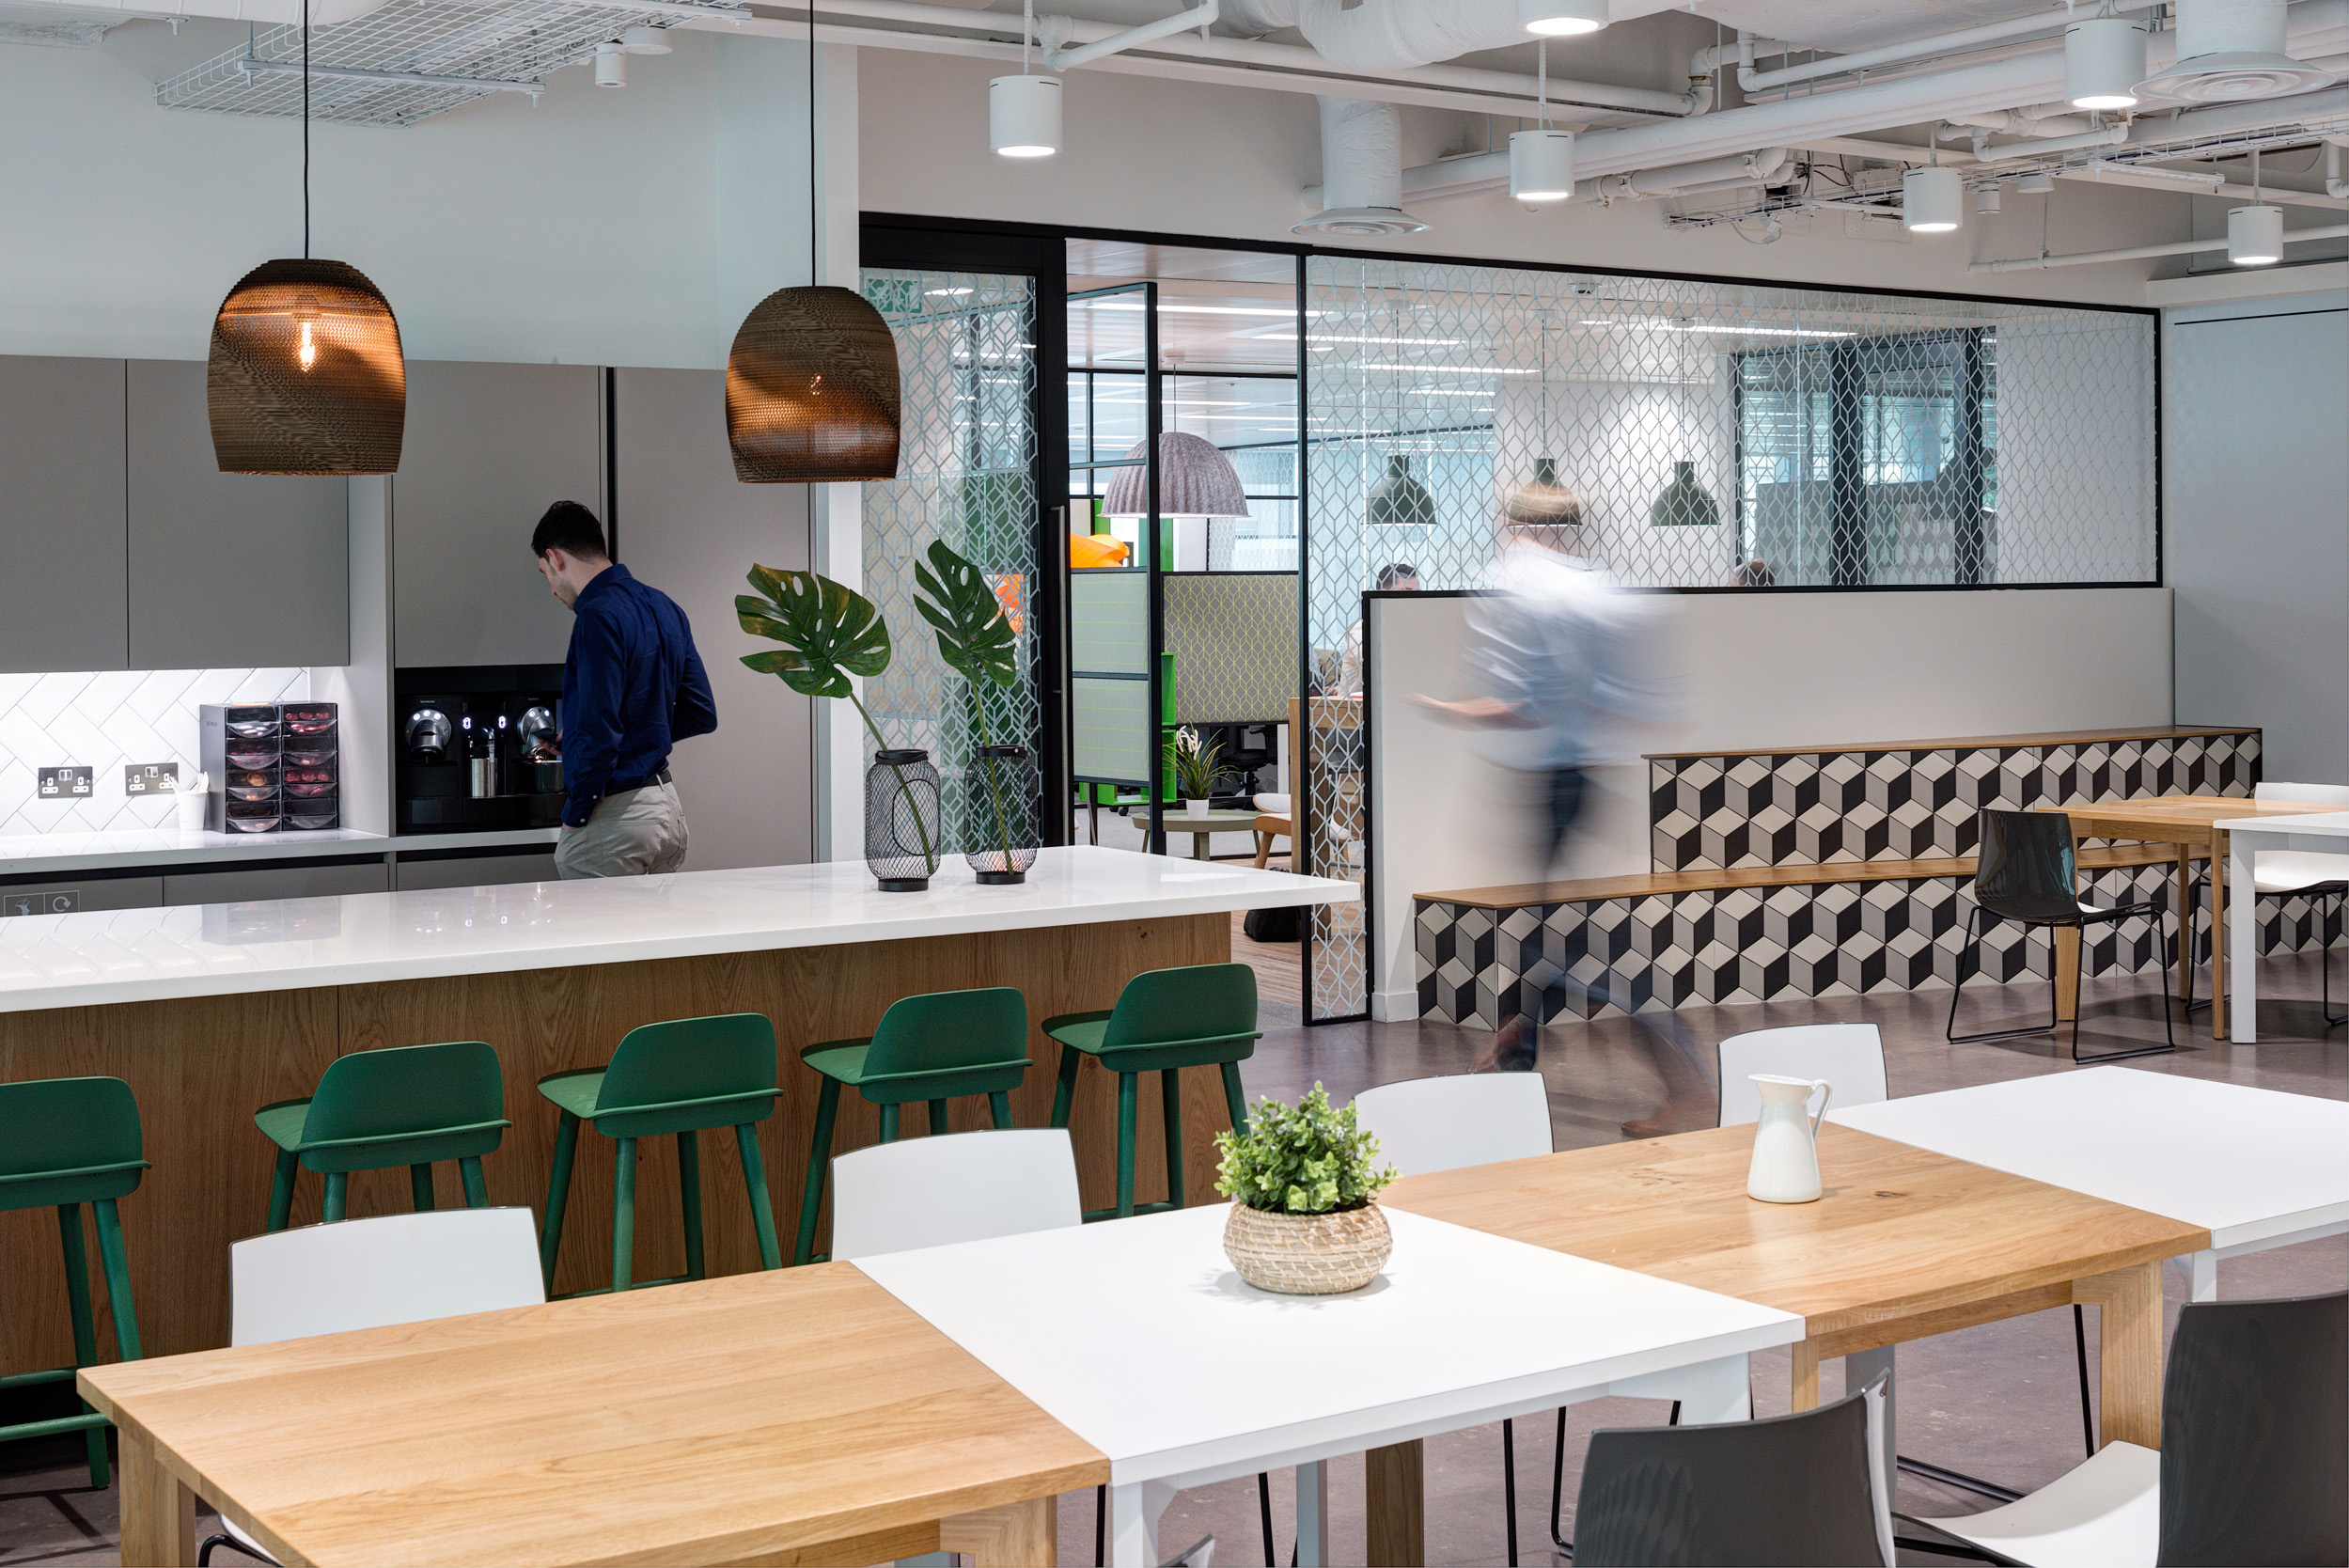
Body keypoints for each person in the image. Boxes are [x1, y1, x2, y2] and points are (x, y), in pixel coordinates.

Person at [531, 500, 716, 879]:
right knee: (651, 936)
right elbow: (701, 712)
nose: (551, 588)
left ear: (555, 558)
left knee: (597, 937)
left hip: (616, 820)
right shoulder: (665, 606)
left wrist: (575, 815)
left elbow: (602, 733)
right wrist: (589, 737)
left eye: (544, 573)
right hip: (666, 813)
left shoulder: (596, 616)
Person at [1341, 561, 1421, 695]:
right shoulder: (1362, 629)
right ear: (1384, 594)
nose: (1415, 599)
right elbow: (1385, 668)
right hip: (1355, 711)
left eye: (1418, 594)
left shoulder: (1406, 629)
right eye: (1407, 592)